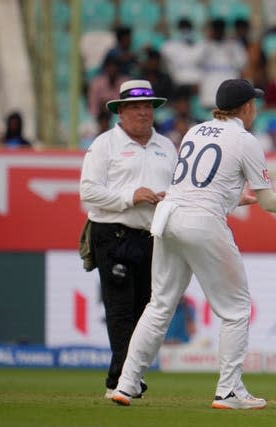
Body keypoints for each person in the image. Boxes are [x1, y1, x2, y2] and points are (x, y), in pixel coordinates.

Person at [110, 79, 276, 409]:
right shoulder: (246, 140)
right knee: (236, 310)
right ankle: (229, 391)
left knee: (159, 305)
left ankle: (126, 384)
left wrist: (236, 200)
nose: (256, 108)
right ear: (246, 107)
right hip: (202, 221)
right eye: (254, 103)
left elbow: (203, 185)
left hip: (169, 217)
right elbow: (270, 203)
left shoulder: (196, 131)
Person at [79, 80, 178, 399]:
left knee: (145, 309)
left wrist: (168, 199)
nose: (143, 112)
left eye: (148, 106)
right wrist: (129, 196)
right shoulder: (105, 144)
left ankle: (127, 376)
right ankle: (121, 380)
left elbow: (179, 187)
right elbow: (88, 192)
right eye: (135, 106)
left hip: (153, 235)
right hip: (113, 233)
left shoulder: (167, 145)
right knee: (121, 309)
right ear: (120, 111)